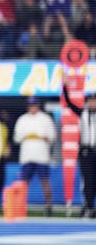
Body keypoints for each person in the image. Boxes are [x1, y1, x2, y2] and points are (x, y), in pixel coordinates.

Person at [13, 96, 56, 216]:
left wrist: (40, 136)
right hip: (26, 156)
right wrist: (27, 136)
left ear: (38, 105)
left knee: (45, 181)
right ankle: (20, 207)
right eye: (30, 105)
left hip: (42, 156)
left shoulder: (45, 119)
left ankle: (48, 207)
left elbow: (52, 136)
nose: (32, 107)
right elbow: (16, 138)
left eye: (34, 105)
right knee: (23, 183)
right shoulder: (22, 119)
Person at [62, 86, 96, 218]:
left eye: (95, 101)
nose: (93, 103)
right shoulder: (83, 113)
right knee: (88, 181)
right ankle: (88, 206)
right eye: (91, 101)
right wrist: (65, 87)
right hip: (86, 152)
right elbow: (69, 103)